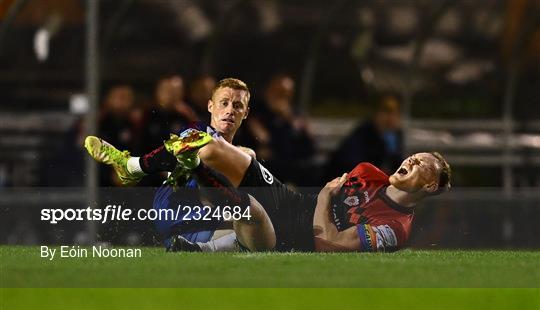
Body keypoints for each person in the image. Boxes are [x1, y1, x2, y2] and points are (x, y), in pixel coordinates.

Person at [85, 124, 451, 253]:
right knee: (206, 142)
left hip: (292, 236)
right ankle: (132, 166)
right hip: (290, 201)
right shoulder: (369, 172)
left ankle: (192, 172)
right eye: (414, 156)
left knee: (244, 208)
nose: (411, 161)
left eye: (422, 165)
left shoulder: (394, 229)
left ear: (430, 185)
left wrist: (325, 195)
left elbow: (329, 244)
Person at [85, 78, 255, 249]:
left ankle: (197, 247)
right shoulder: (197, 131)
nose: (230, 111)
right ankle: (132, 166)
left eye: (237, 106)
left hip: (195, 224)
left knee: (255, 234)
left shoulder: (233, 150)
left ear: (246, 113)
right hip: (177, 211)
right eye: (224, 103)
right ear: (210, 106)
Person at [326, 94, 403, 180]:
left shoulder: (393, 135)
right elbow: (353, 164)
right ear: (376, 114)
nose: (390, 118)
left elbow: (397, 165)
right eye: (386, 113)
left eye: (394, 114)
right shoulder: (364, 132)